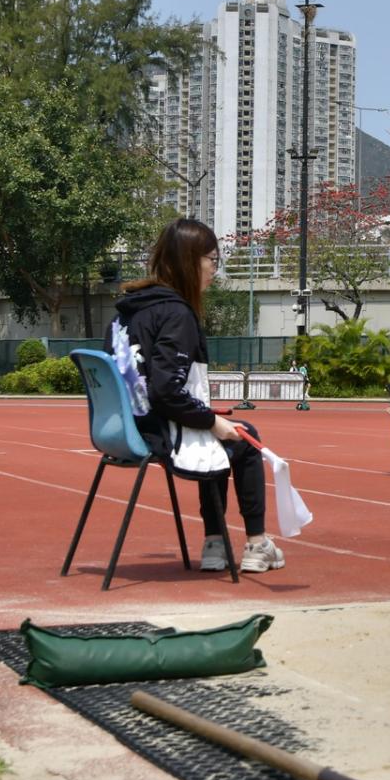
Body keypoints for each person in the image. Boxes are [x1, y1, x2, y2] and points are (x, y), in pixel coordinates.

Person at [111, 218, 283, 574]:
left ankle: (215, 544)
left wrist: (207, 420)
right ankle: (256, 543)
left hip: (122, 429)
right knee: (243, 438)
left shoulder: (127, 313)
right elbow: (166, 392)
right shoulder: (176, 314)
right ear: (189, 261)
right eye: (212, 260)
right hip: (159, 432)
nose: (215, 270)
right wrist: (210, 421)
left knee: (220, 436)